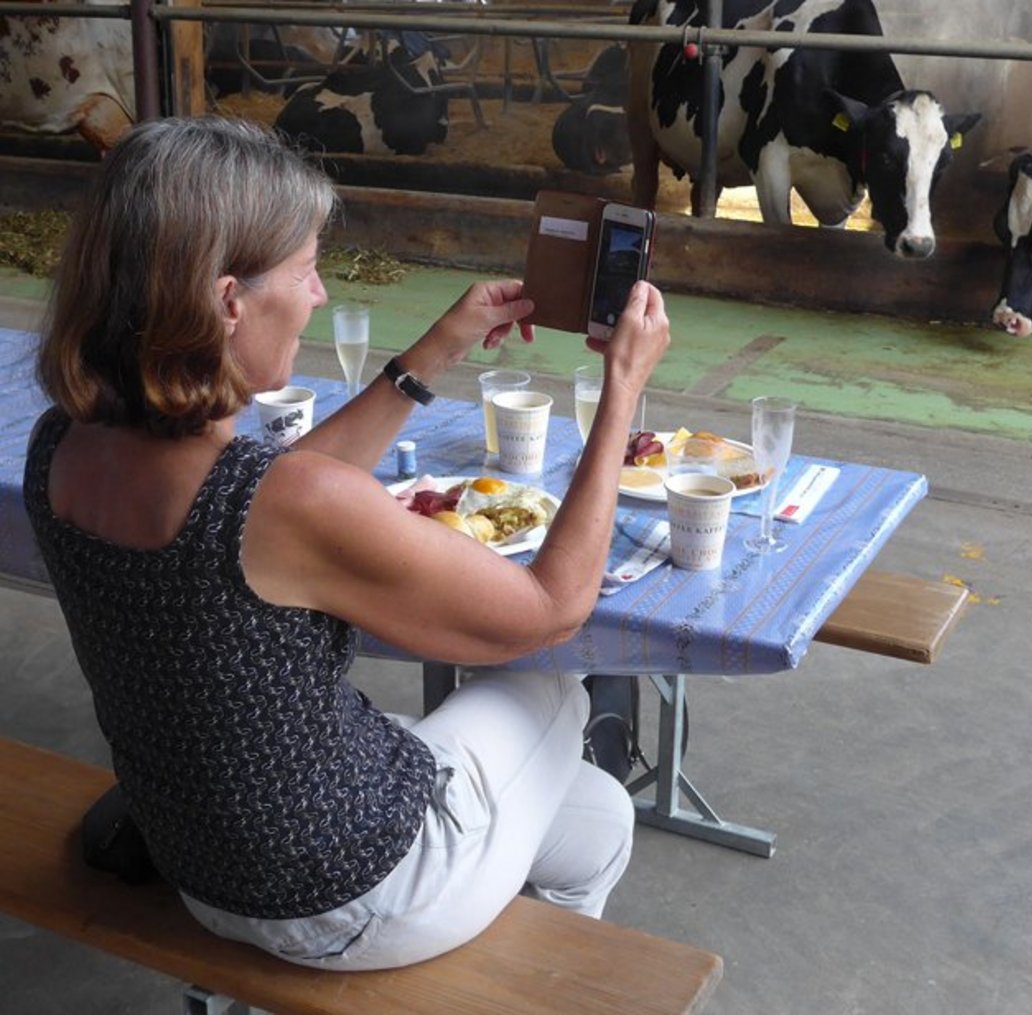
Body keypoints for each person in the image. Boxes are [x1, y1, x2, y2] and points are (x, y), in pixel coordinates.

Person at [22, 116, 670, 970]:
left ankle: (531, 979)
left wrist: (434, 353)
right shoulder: (276, 504)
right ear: (228, 300)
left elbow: (281, 499)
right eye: (307, 269)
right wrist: (621, 388)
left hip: (201, 865)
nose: (320, 294)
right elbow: (548, 611)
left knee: (595, 818)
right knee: (554, 690)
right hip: (351, 895)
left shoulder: (57, 446)